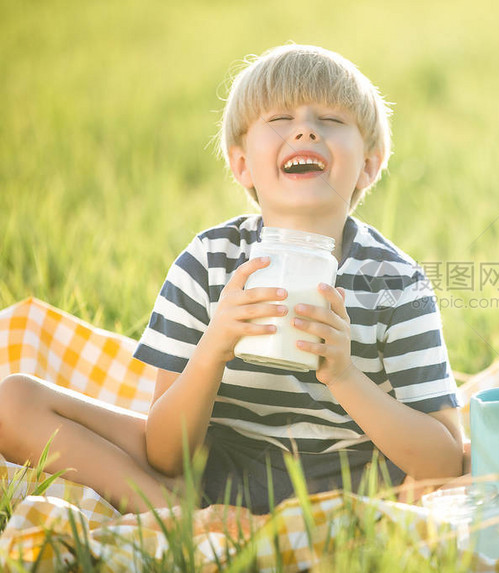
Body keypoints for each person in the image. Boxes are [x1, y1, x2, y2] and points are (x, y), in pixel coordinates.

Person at [0, 44, 464, 514]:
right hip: (215, 474)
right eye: (280, 119)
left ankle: (187, 518)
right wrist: (215, 347)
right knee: (14, 401)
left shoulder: (396, 281)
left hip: (355, 480)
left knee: (486, 450)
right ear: (241, 163)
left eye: (330, 119)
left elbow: (445, 458)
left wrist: (343, 376)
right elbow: (165, 451)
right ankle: (171, 514)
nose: (305, 128)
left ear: (368, 164)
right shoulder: (208, 262)